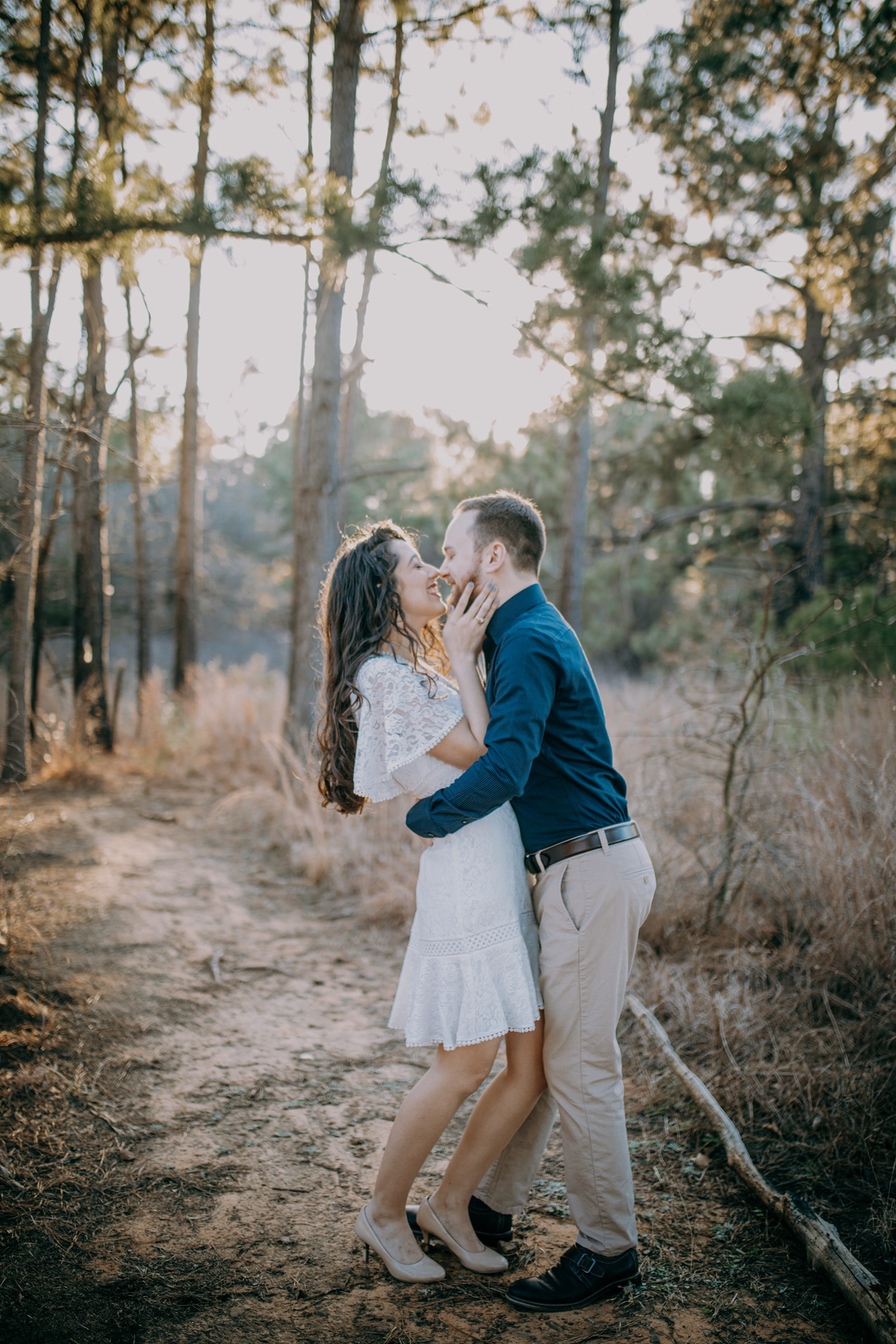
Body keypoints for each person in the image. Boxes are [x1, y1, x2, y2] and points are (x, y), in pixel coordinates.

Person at [405, 490, 657, 1313]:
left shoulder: (531, 641)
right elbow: (506, 746)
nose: (443, 567)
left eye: (451, 550)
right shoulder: (515, 635)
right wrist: (466, 655)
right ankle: (488, 1208)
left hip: (590, 874)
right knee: (549, 1057)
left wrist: (426, 817)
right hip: (578, 874)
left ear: (494, 557)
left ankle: (607, 1248)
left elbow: (505, 766)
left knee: (580, 1066)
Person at [317, 520, 546, 1284]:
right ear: (384, 588)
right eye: (416, 563)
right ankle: (384, 1211)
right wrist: (469, 653)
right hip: (468, 872)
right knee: (466, 1061)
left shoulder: (411, 667)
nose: (432, 571)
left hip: (496, 863)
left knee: (528, 1063)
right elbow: (488, 751)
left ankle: (450, 1205)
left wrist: (459, 649)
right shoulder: (386, 675)